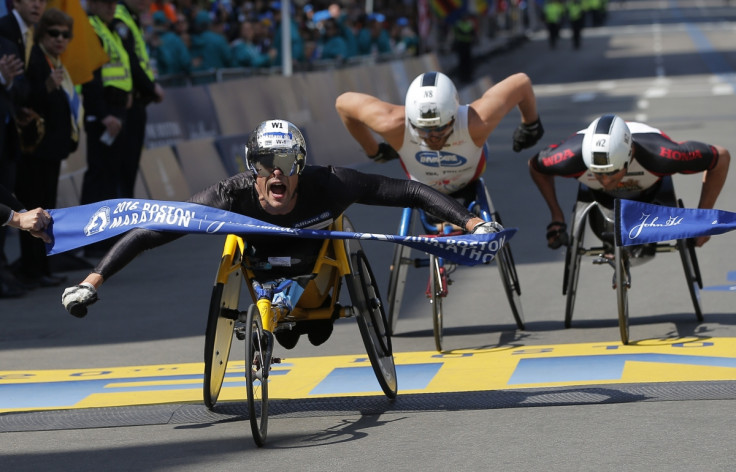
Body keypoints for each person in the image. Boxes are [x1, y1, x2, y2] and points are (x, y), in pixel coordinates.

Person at [61, 119, 500, 349]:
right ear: (250, 168)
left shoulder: (329, 184)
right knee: (287, 333)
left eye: (287, 161)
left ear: (301, 165)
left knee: (317, 328)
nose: (276, 171)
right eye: (265, 161)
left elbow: (407, 190)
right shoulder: (227, 196)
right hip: (260, 267)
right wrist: (91, 282)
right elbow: (152, 230)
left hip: (322, 271)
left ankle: (310, 312)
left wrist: (473, 223)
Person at [528, 114, 731, 250]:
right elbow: (535, 166)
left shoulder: (663, 156)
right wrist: (557, 215)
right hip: (596, 197)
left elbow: (721, 157)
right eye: (598, 173)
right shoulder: (569, 158)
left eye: (613, 173)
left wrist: (704, 218)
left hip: (650, 194)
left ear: (628, 159)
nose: (606, 181)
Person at [334, 71, 544, 197]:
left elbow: (521, 82)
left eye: (440, 129)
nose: (433, 137)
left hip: (466, 180)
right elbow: (343, 104)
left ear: (454, 117)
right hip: (426, 186)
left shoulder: (475, 122)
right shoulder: (391, 123)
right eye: (423, 129)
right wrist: (373, 150)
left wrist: (530, 124)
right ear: (410, 121)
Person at [13, 7, 80, 287]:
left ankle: (42, 266)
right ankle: (34, 269)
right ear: (43, 34)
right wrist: (47, 87)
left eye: (65, 35)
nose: (60, 39)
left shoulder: (54, 60)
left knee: (45, 207)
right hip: (36, 150)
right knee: (33, 209)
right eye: (54, 33)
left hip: (51, 149)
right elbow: (26, 98)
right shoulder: (36, 57)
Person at [114, 0, 165, 198]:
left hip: (135, 101)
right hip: (125, 103)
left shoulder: (131, 17)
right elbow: (131, 60)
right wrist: (152, 87)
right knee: (123, 167)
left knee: (129, 166)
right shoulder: (120, 17)